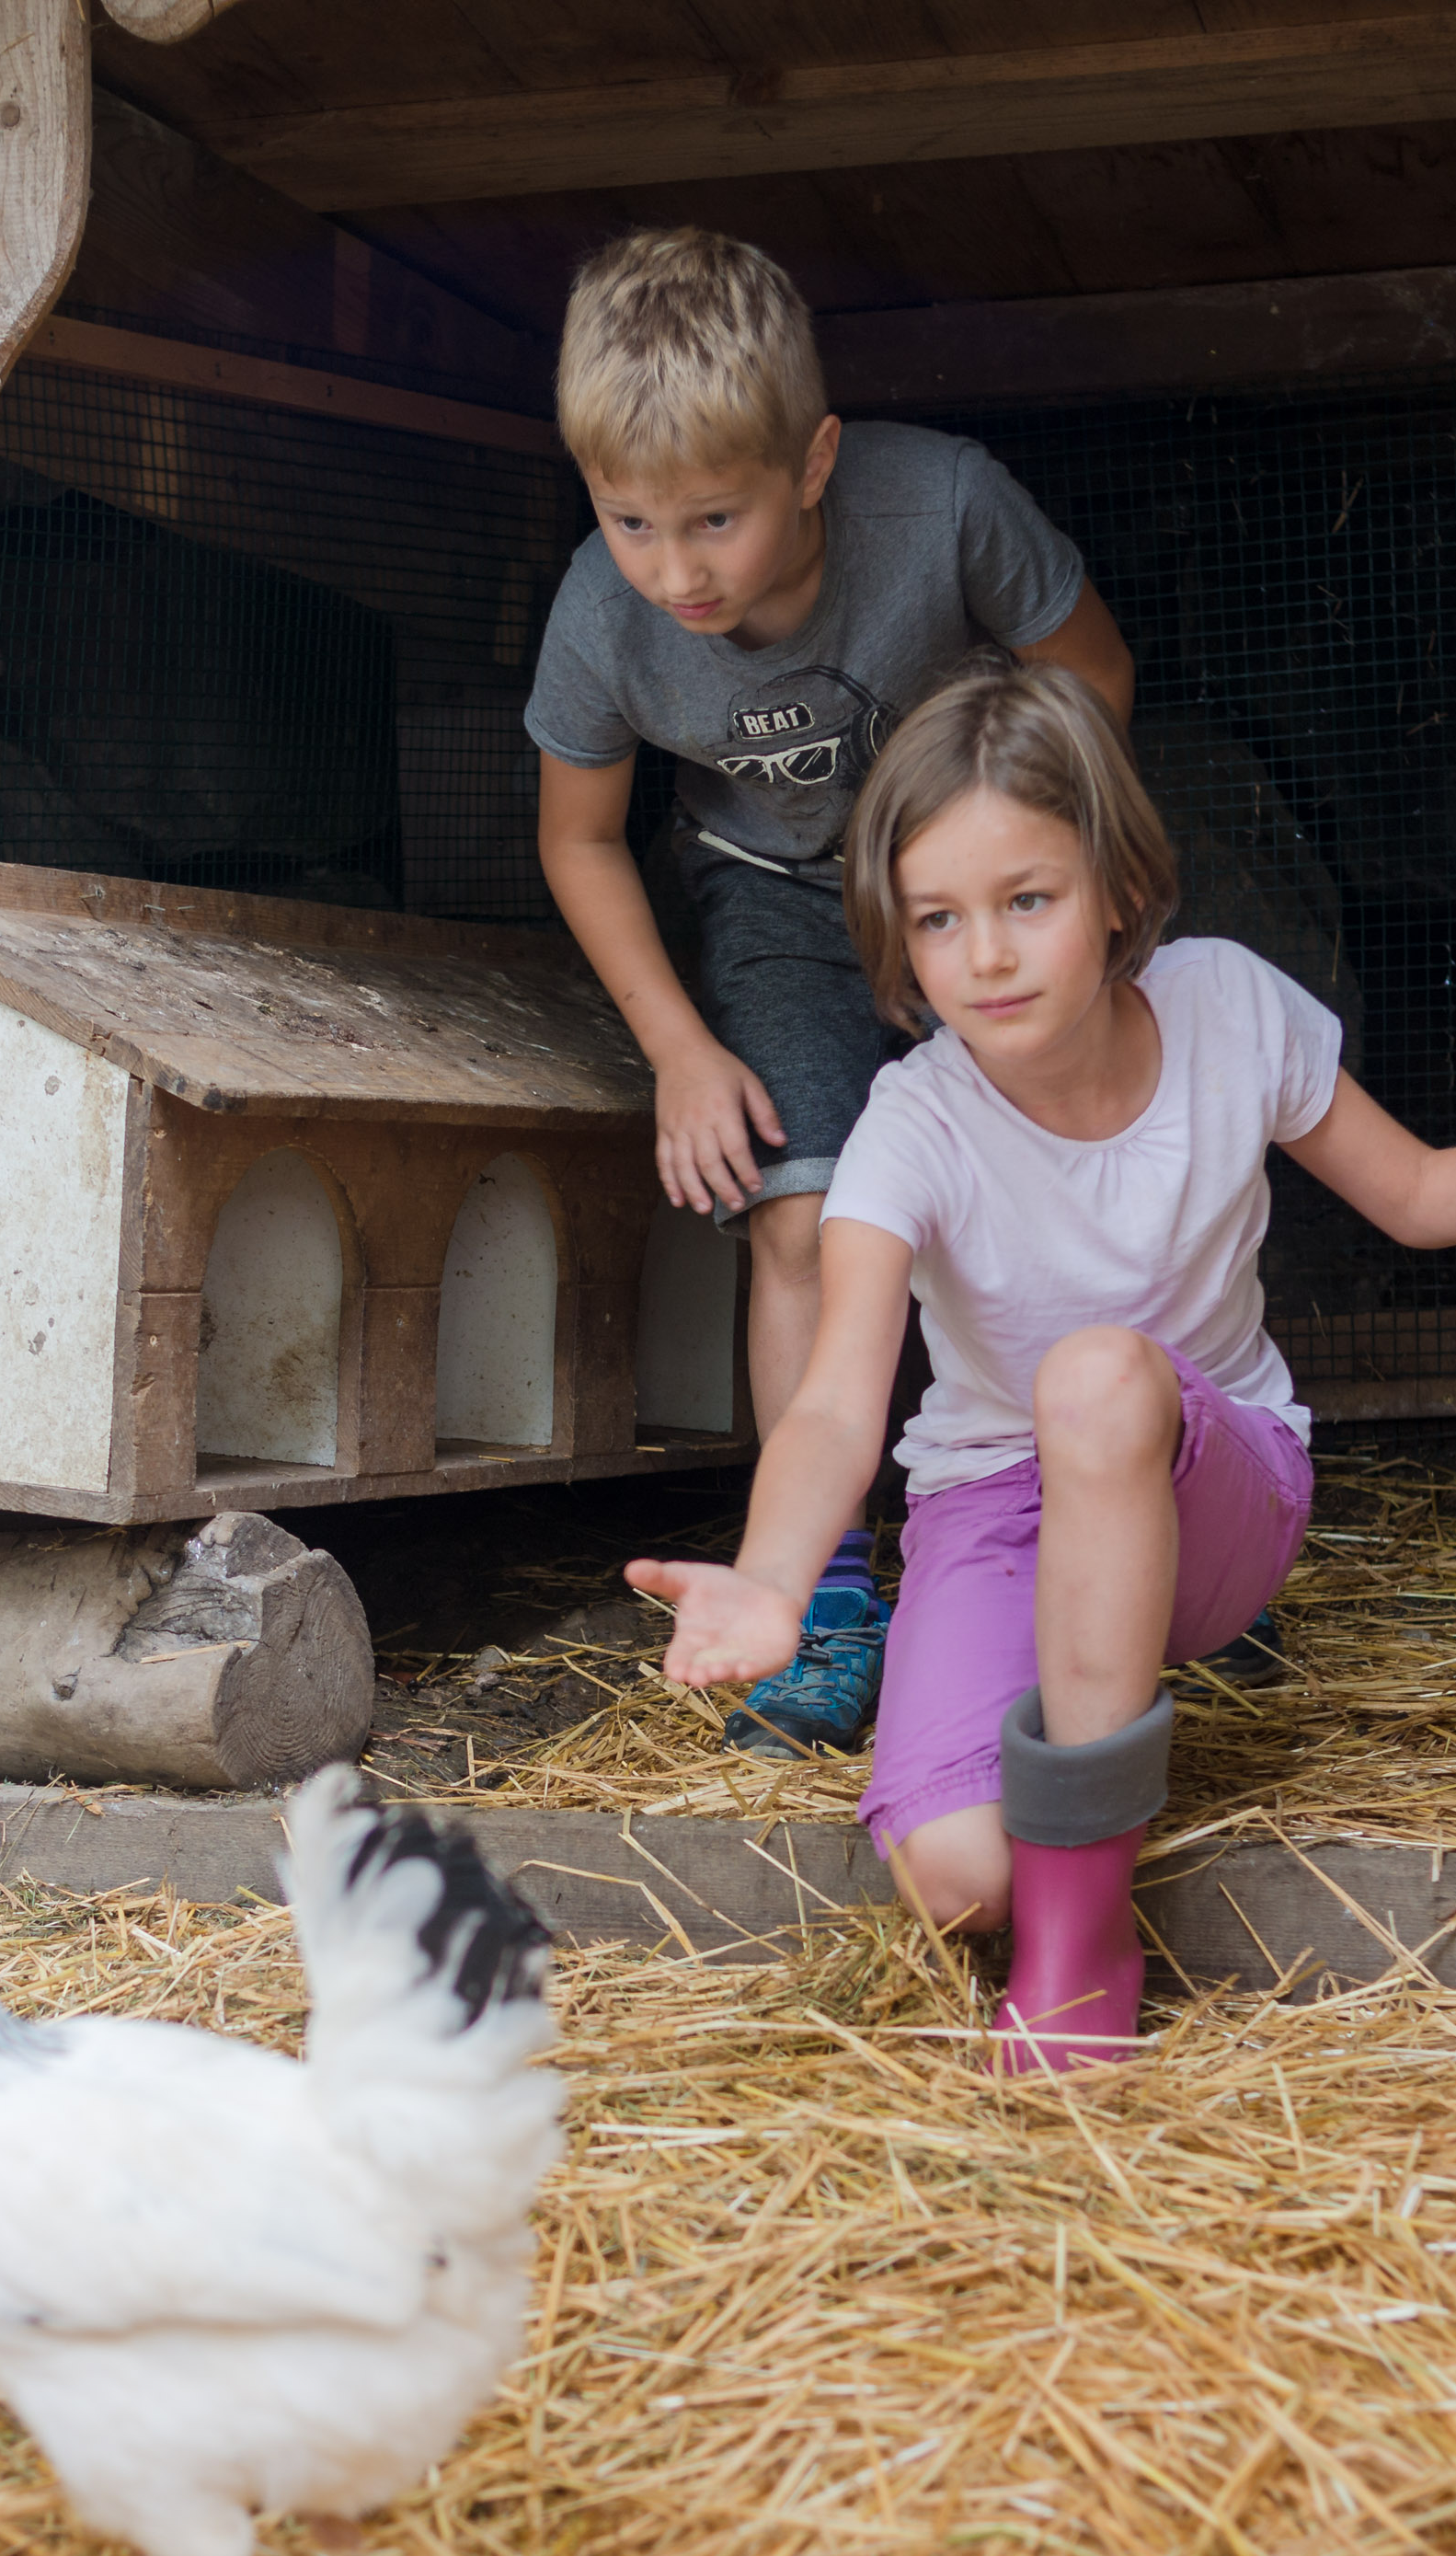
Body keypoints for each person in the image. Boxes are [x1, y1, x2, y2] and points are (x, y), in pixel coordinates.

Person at [632, 660, 1456, 2070]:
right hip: (995, 1510)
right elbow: (841, 1402)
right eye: (938, 920)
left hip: (1213, 1491)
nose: (986, 956)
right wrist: (776, 1575)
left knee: (1099, 1377)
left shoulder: (1229, 1008)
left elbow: (1412, 1192)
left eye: (1025, 900)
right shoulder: (908, 1127)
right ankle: (1033, 1874)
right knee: (960, 1875)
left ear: (1115, 888)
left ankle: (1083, 1950)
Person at [527, 226, 1132, 1761]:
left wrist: (1002, 889)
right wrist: (678, 1047)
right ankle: (826, 1594)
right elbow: (581, 836)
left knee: (1063, 1144)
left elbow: (1095, 682)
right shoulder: (605, 613)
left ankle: (1133, 1526)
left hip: (965, 872)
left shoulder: (941, 504)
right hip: (776, 900)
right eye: (630, 520)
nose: (674, 569)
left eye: (713, 519)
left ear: (816, 461)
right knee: (799, 1207)